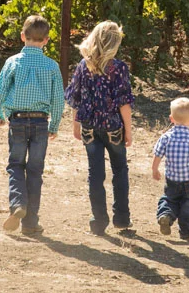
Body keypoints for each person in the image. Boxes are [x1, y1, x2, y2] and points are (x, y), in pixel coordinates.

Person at [0, 15, 64, 236]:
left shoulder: (13, 62)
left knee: (15, 165)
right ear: (47, 40)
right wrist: (55, 125)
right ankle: (30, 223)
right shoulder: (52, 65)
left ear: (23, 36)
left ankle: (17, 204)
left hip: (18, 120)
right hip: (41, 122)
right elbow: (58, 99)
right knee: (35, 170)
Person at [64, 21, 135, 235]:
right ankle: (121, 219)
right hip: (114, 128)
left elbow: (76, 98)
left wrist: (75, 124)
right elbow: (124, 103)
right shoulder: (119, 68)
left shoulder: (83, 66)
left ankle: (98, 221)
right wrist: (128, 131)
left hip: (89, 127)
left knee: (95, 174)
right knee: (120, 171)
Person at [152, 97, 189, 240]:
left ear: (171, 118)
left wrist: (155, 169)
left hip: (172, 179)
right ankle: (186, 231)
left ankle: (166, 215)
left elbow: (157, 155)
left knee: (170, 199)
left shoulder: (166, 137)